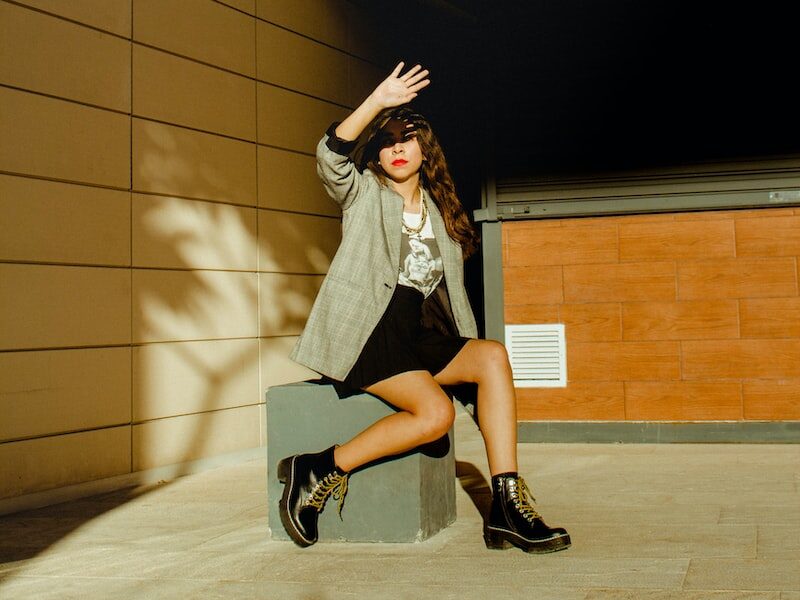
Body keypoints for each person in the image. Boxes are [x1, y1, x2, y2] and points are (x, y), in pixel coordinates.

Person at [278, 62, 570, 554]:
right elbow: (330, 158)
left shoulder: (441, 210)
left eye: (406, 138)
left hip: (418, 332)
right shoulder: (364, 194)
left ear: (424, 150)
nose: (396, 147)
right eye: (387, 140)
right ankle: (318, 468)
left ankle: (506, 505)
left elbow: (448, 297)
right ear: (377, 151)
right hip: (372, 331)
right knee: (435, 415)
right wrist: (377, 102)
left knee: (492, 355)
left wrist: (464, 354)